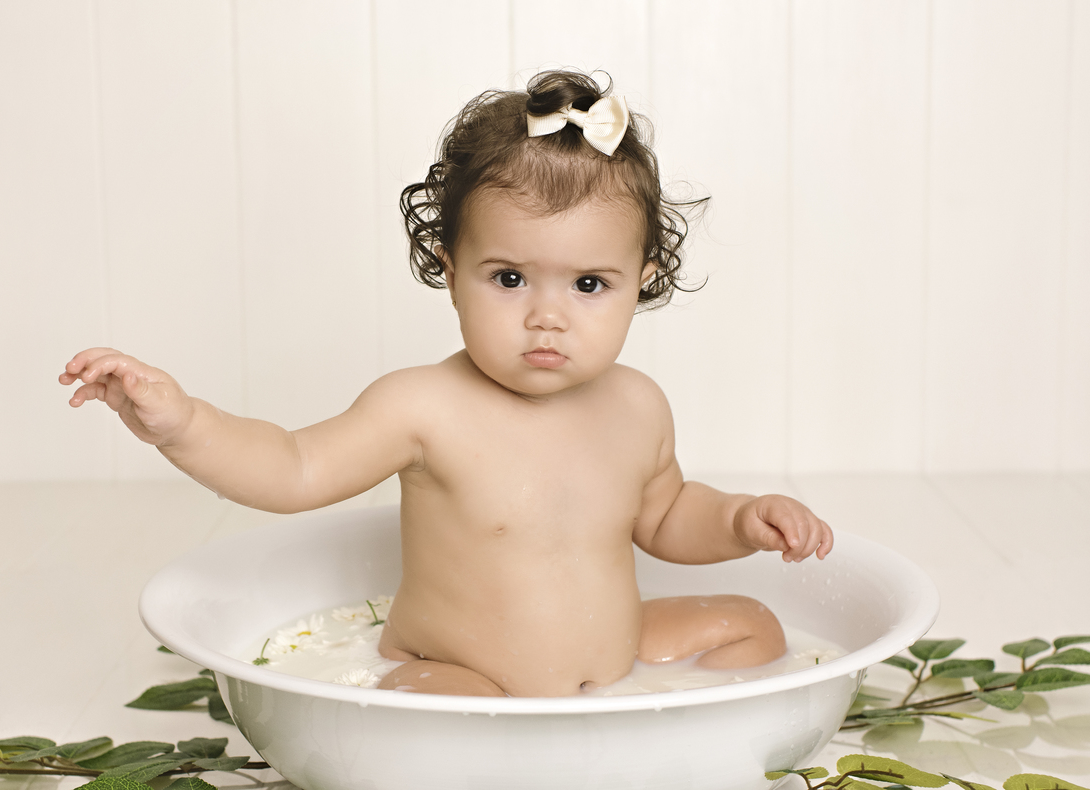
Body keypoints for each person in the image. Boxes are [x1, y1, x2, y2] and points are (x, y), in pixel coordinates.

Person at [59, 70, 832, 698]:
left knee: (752, 626)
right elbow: (293, 466)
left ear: (642, 280)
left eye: (590, 284)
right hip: (465, 677)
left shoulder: (637, 405)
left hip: (616, 661)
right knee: (443, 715)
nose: (546, 317)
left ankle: (670, 735)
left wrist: (737, 519)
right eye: (509, 277)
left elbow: (664, 517)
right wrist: (184, 423)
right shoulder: (423, 407)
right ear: (449, 268)